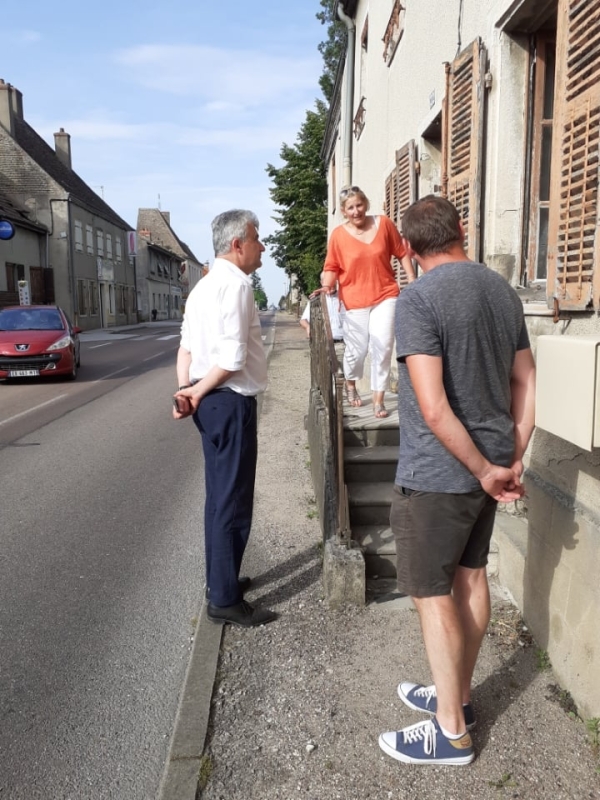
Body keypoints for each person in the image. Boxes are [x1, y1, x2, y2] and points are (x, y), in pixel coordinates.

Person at [378, 196, 536, 765]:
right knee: (470, 579)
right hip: (487, 468)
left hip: (441, 474)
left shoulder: (416, 299)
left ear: (410, 249)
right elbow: (525, 380)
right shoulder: (502, 290)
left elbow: (433, 405)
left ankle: (449, 732)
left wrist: (487, 469)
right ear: (461, 231)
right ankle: (459, 699)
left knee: (431, 593)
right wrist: (510, 457)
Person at [172, 209, 277, 628]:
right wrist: (196, 392)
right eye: (257, 238)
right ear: (238, 244)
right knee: (232, 502)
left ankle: (222, 580)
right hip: (228, 400)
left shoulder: (201, 287)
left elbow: (185, 351)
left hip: (208, 403)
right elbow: (232, 360)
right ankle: (225, 600)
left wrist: (187, 392)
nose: (262, 246)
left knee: (219, 498)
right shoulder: (236, 285)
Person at [315, 185, 416, 418]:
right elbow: (332, 266)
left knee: (383, 345)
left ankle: (378, 398)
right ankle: (351, 383)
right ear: (343, 211)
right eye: (350, 207)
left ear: (366, 204)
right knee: (356, 351)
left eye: (359, 205)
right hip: (354, 299)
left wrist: (411, 278)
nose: (356, 211)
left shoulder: (383, 224)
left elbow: (401, 251)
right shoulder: (338, 236)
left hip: (386, 294)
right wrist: (327, 287)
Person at [300, 272, 345, 341]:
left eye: (333, 280)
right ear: (322, 282)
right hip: (325, 343)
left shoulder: (344, 296)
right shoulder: (316, 300)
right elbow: (303, 320)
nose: (331, 283)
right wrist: (308, 327)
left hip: (345, 342)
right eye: (328, 280)